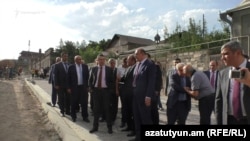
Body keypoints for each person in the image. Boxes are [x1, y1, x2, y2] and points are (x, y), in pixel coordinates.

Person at [215, 40, 250, 125]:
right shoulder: (222, 73)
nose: (222, 58)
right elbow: (219, 100)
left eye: (226, 54)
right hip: (229, 120)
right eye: (221, 55)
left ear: (238, 53)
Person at [131, 48, 156, 141]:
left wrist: (148, 96)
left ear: (142, 54)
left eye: (136, 54)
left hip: (144, 97)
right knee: (137, 117)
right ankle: (138, 137)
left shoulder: (149, 64)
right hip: (135, 96)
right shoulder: (137, 64)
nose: (135, 56)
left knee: (145, 119)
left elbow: (151, 82)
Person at [89, 54, 114, 134]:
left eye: (103, 59)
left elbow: (112, 81)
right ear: (97, 60)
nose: (102, 61)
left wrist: (109, 91)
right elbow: (90, 80)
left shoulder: (109, 69)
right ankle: (95, 127)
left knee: (107, 110)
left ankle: (109, 128)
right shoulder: (93, 69)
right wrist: (91, 88)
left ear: (105, 60)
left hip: (105, 91)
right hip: (96, 92)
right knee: (96, 110)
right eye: (100, 59)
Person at [67, 55, 90, 123]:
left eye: (80, 59)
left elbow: (87, 77)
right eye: (77, 59)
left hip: (83, 87)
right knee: (74, 102)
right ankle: (73, 116)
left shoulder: (85, 67)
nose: (79, 60)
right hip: (74, 88)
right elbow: (68, 78)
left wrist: (87, 86)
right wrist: (68, 87)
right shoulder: (71, 67)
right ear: (75, 60)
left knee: (84, 103)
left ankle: (85, 116)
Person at [120, 54, 136, 137]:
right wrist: (120, 79)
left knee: (133, 113)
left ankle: (134, 129)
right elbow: (124, 79)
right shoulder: (128, 68)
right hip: (126, 94)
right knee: (127, 112)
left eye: (128, 60)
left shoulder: (136, 67)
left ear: (133, 60)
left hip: (132, 94)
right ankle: (129, 126)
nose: (127, 61)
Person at [54, 52, 71, 117]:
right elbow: (56, 76)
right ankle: (62, 111)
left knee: (68, 98)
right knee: (61, 98)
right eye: (64, 56)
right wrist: (56, 84)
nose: (66, 57)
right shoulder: (57, 65)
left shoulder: (69, 65)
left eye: (66, 56)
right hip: (60, 85)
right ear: (61, 57)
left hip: (68, 85)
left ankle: (67, 111)